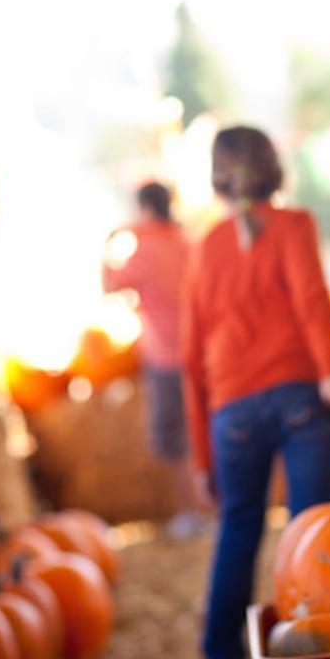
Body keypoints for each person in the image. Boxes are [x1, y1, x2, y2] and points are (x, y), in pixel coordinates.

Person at [182, 125, 330, 659]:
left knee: (238, 526)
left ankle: (221, 658)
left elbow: (190, 359)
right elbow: (311, 298)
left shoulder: (205, 249)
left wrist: (201, 459)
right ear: (272, 169)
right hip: (299, 396)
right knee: (308, 527)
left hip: (230, 409)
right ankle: (311, 655)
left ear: (218, 177)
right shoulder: (294, 225)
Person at [102, 180, 207, 539]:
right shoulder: (189, 243)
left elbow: (109, 286)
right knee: (205, 431)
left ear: (145, 209)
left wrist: (110, 242)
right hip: (201, 352)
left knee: (173, 437)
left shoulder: (144, 251)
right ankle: (218, 507)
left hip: (165, 358)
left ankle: (191, 512)